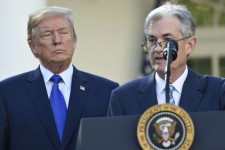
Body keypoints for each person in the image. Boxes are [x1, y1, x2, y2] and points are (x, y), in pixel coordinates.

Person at [0, 7, 119, 150]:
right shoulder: (7, 92)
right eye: (47, 34)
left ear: (74, 41)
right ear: (33, 46)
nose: (57, 40)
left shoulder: (107, 92)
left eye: (63, 33)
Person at [108, 2, 225, 116]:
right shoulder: (123, 97)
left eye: (168, 40)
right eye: (152, 40)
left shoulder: (218, 92)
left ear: (189, 45)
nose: (158, 48)